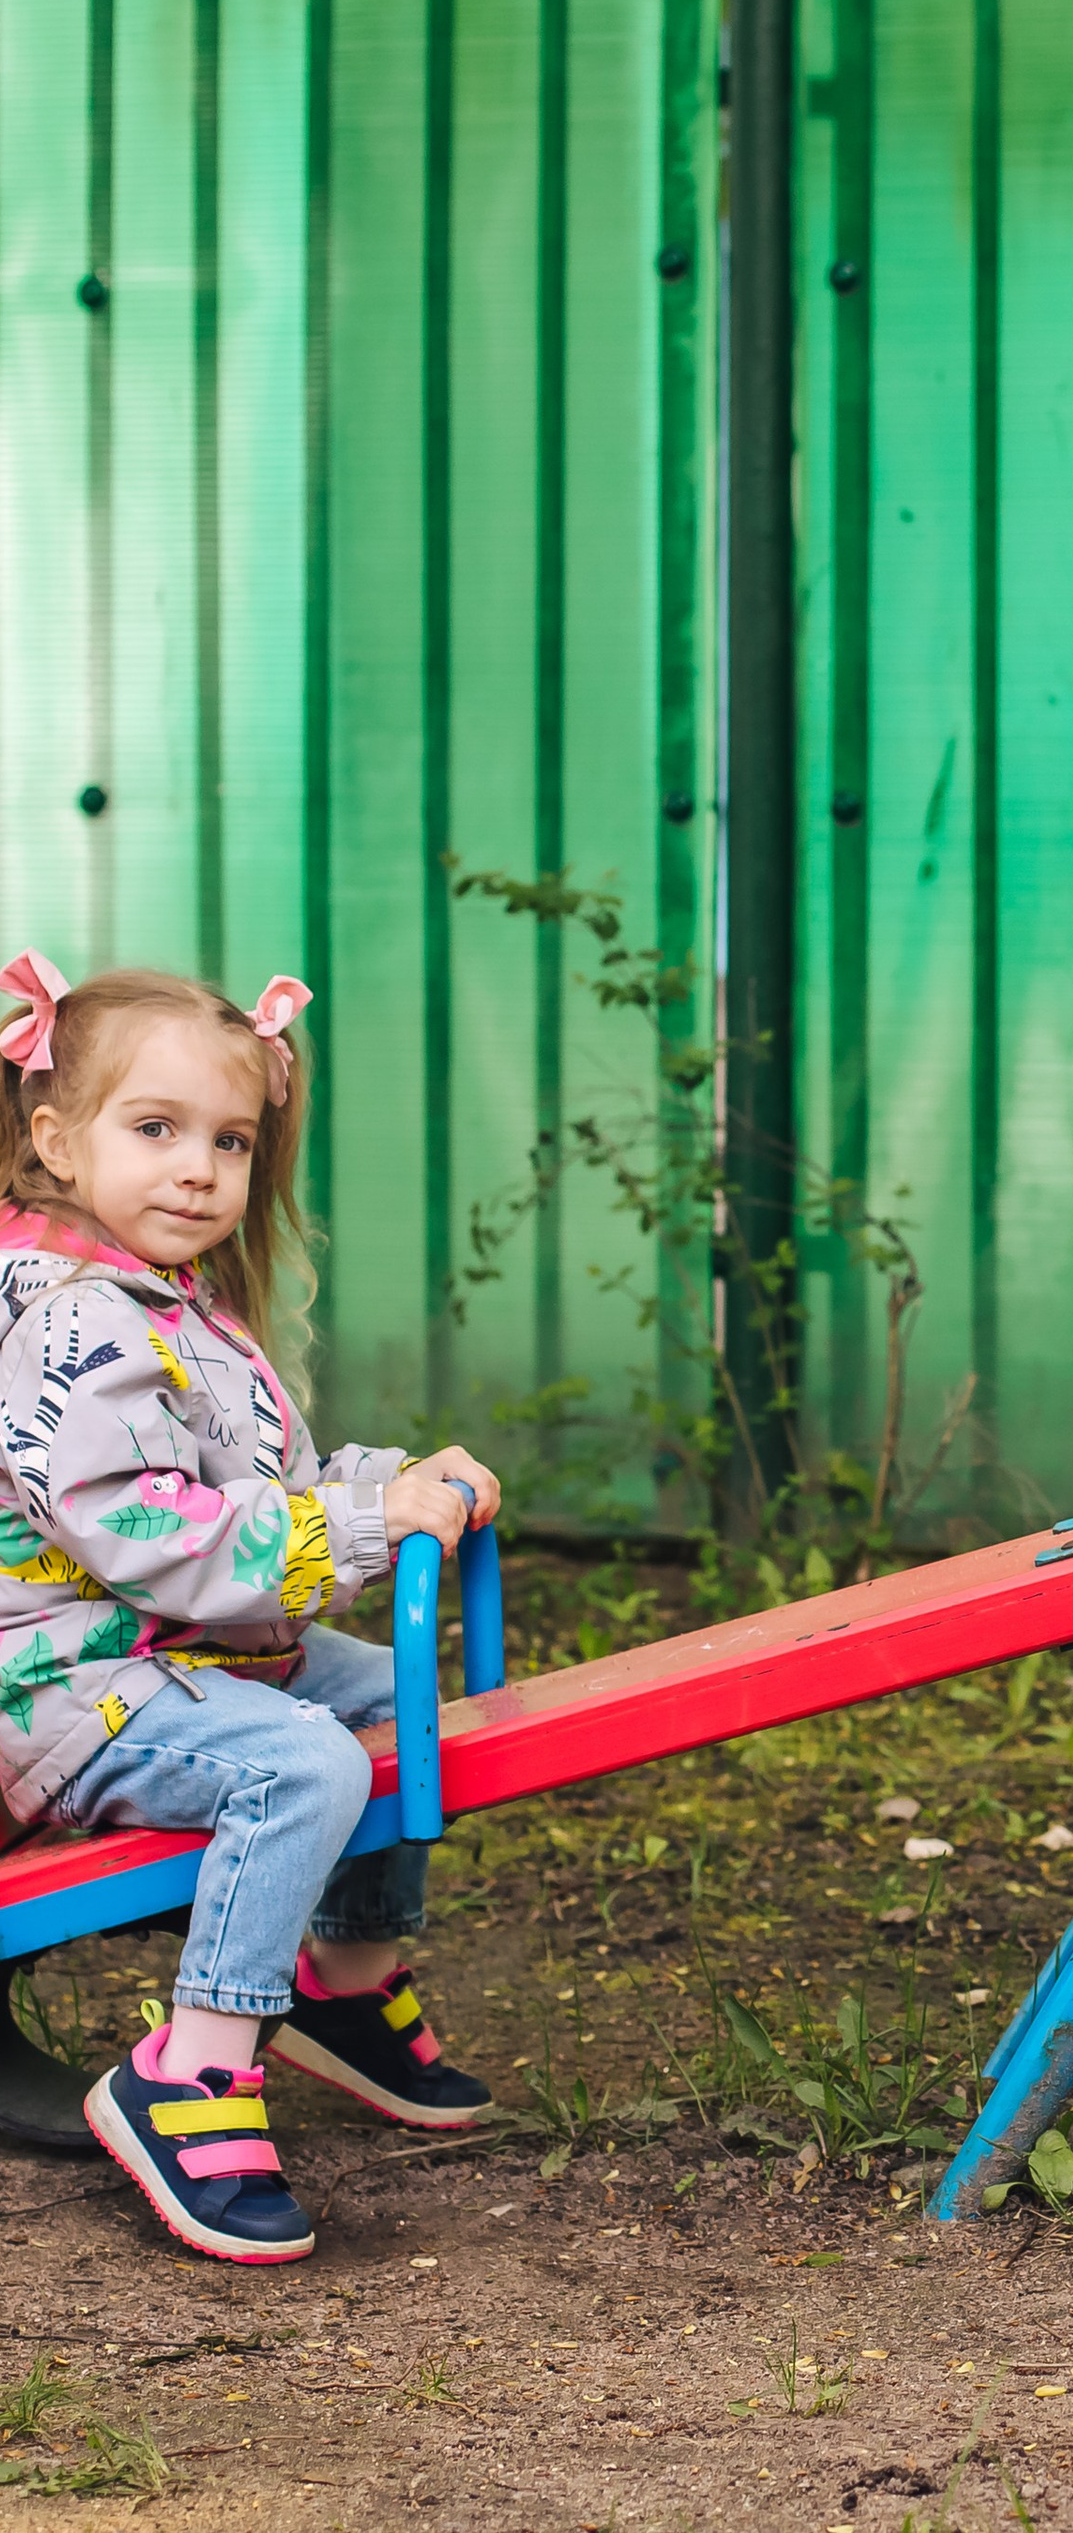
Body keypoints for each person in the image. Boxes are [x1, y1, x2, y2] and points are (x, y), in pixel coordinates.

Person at [0, 954, 498, 2262]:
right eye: (154, 1130)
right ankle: (193, 2067)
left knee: (392, 1698)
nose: (197, 1170)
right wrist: (356, 1529)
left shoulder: (178, 1310)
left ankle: (340, 1978)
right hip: (67, 1688)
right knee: (300, 1763)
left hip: (178, 1651)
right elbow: (153, 1539)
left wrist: (387, 1488)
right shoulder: (66, 1325)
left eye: (228, 1139)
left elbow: (246, 1494)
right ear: (54, 1138)